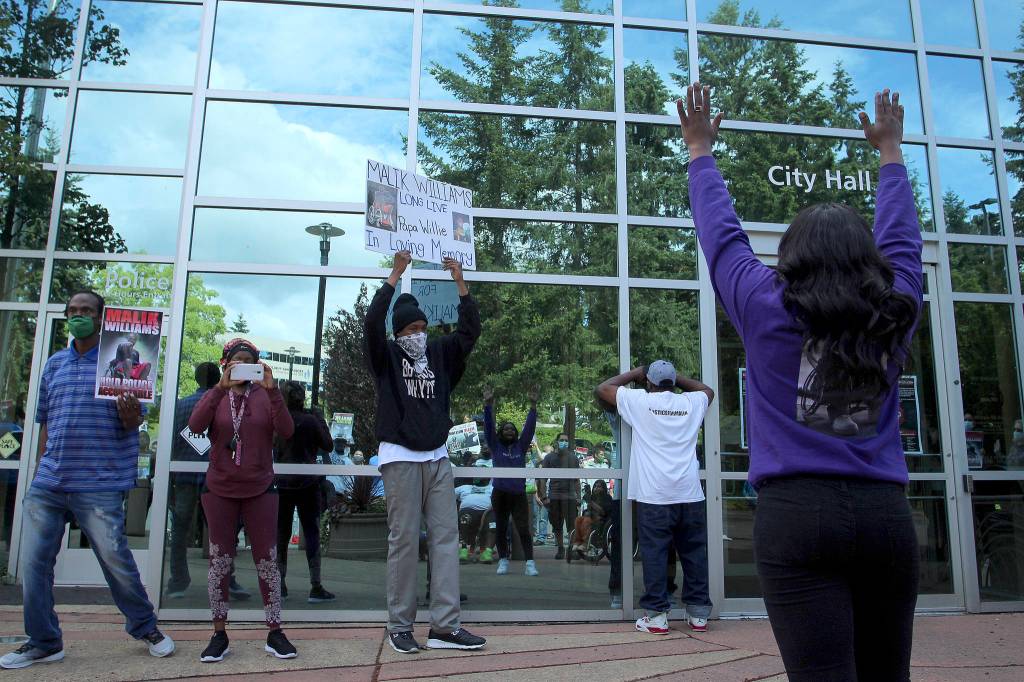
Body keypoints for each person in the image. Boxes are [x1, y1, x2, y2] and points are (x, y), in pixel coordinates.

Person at [680, 83, 922, 680]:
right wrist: (890, 153)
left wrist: (699, 149)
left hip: (796, 515)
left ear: (790, 256)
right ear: (871, 262)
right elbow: (903, 242)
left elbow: (723, 238)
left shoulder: (764, 308)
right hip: (884, 515)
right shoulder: (896, 310)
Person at [1, 291, 175, 670]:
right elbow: (46, 421)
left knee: (114, 559)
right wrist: (41, 465)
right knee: (34, 564)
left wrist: (129, 412)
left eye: (87, 311)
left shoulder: (121, 365)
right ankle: (44, 641)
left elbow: (134, 423)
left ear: (102, 319)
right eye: (73, 311)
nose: (78, 316)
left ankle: (146, 627)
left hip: (100, 480)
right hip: (50, 481)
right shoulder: (55, 365)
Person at [365, 250, 486, 654]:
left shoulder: (439, 353)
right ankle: (400, 625)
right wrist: (395, 275)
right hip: (399, 456)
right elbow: (370, 325)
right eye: (410, 328)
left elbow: (470, 332)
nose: (417, 332)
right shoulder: (386, 357)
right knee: (403, 541)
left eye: (422, 326)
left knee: (446, 539)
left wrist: (460, 284)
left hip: (436, 457)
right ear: (398, 332)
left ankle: (445, 626)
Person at [188, 338, 297, 662]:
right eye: (237, 360)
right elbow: (195, 425)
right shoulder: (216, 395)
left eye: (249, 360)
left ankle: (275, 631)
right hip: (220, 490)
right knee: (219, 562)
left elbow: (287, 431)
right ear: (225, 364)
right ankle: (219, 633)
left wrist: (273, 389)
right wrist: (220, 388)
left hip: (260, 488)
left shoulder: (266, 396)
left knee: (267, 561)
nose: (243, 364)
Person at [596, 360, 714, 634]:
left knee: (655, 555)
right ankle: (698, 616)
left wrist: (636, 373)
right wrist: (676, 378)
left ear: (648, 382)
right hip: (689, 494)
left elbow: (604, 388)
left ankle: (657, 617)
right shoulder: (691, 403)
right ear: (673, 382)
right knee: (694, 553)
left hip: (654, 495)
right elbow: (707, 390)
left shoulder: (640, 401)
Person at [168, 362, 252, 601]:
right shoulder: (224, 404)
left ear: (196, 379)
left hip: (184, 476)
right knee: (221, 531)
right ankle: (228, 578)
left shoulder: (180, 405)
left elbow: (172, 441)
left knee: (180, 530)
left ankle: (177, 580)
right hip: (215, 475)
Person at [274, 381, 336, 603]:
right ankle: (315, 585)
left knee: (281, 533)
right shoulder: (310, 420)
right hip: (308, 483)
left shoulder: (279, 420)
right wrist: (320, 418)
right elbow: (328, 444)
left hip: (282, 483)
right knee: (312, 532)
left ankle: (279, 584)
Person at [482, 386, 539, 576]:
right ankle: (503, 560)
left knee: (523, 528)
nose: (509, 431)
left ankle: (530, 563)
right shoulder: (496, 446)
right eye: (505, 428)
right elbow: (489, 427)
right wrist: (488, 405)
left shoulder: (520, 448)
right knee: (501, 527)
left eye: (512, 429)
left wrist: (533, 406)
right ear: (501, 433)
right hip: (500, 493)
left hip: (518, 494)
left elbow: (529, 429)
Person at [537, 432, 581, 560]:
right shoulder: (549, 458)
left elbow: (576, 480)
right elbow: (543, 479)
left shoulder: (573, 458)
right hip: (554, 496)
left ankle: (571, 549)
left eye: (566, 440)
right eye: (562, 440)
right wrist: (544, 497)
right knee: (556, 525)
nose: (564, 443)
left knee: (571, 525)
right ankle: (561, 548)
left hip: (570, 497)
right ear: (557, 442)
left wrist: (578, 496)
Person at [455, 474, 494, 564]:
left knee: (493, 523)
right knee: (464, 517)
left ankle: (487, 553)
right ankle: (464, 550)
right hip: (468, 512)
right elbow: (446, 494)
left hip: (488, 512)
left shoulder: (492, 488)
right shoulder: (464, 487)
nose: (478, 477)